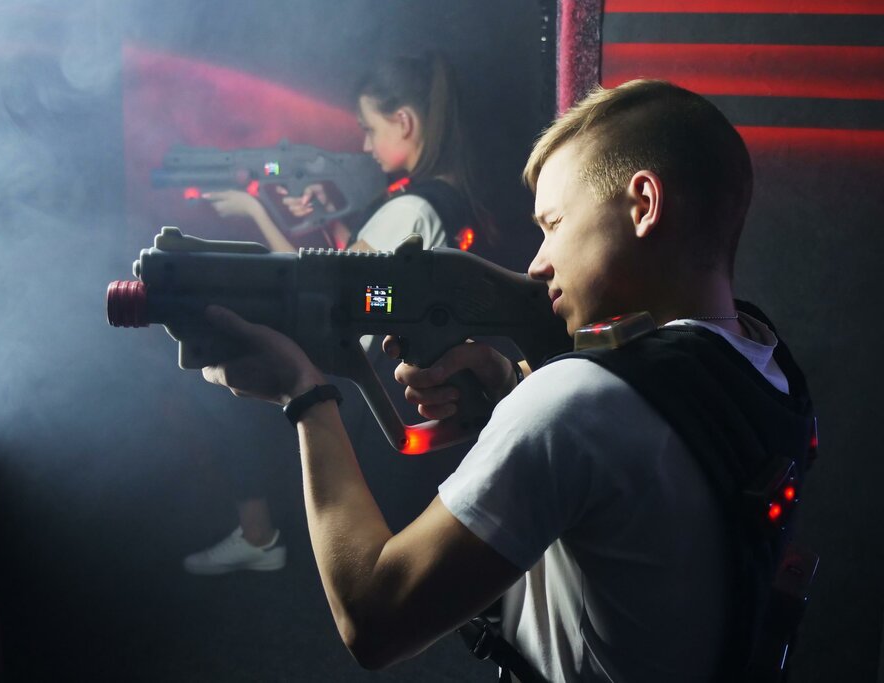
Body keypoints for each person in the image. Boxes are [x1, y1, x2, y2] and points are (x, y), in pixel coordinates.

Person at [196, 78, 815, 681]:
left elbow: (374, 619)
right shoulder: (765, 360)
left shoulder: (580, 403)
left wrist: (304, 395)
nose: (537, 262)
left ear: (644, 205)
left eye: (554, 223)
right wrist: (509, 383)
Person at [183, 52, 490, 576]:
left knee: (227, 393)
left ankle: (260, 538)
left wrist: (256, 211)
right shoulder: (441, 198)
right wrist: (325, 223)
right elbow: (367, 285)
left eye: (370, 129)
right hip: (393, 384)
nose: (366, 145)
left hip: (368, 388)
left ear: (404, 122)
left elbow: (321, 298)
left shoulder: (409, 208)